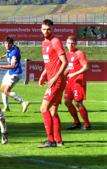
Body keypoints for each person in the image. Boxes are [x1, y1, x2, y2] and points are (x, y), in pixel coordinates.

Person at [37, 19, 68, 148]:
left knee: (43, 109)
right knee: (53, 111)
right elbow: (49, 63)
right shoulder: (44, 43)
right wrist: (43, 74)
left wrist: (55, 77)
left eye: (48, 29)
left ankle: (51, 141)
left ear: (53, 29)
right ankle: (58, 140)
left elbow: (64, 62)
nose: (46, 31)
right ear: (41, 29)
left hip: (57, 81)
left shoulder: (55, 42)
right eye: (44, 29)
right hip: (52, 79)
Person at [0, 36, 30, 112]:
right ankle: (6, 107)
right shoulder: (10, 49)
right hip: (10, 72)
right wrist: (2, 57)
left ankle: (23, 102)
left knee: (6, 91)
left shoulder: (14, 53)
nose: (6, 45)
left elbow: (12, 66)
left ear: (11, 44)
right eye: (5, 43)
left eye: (8, 44)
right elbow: (7, 53)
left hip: (15, 74)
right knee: (2, 89)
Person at [64, 35, 91, 130]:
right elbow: (69, 67)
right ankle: (76, 123)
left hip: (78, 81)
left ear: (76, 44)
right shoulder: (67, 54)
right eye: (68, 43)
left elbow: (86, 67)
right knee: (67, 102)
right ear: (66, 44)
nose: (70, 45)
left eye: (72, 43)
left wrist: (74, 74)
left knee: (78, 103)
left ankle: (87, 125)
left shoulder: (79, 53)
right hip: (69, 82)